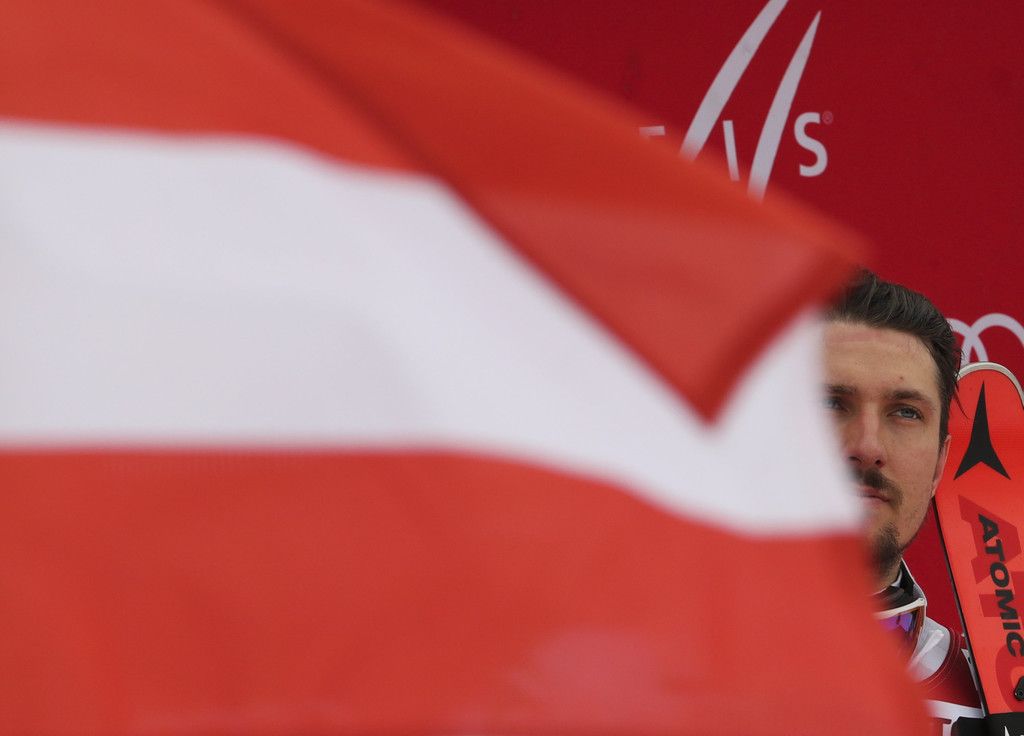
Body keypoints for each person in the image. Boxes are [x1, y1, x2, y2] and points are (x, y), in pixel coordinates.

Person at [823, 270, 983, 732]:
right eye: (832, 403)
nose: (868, 446)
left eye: (906, 412)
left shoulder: (990, 701)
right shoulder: (657, 666)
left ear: (939, 464)